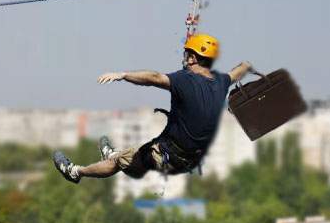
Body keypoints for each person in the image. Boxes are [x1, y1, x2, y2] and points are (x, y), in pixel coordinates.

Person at [53, 34, 254, 184]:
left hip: (166, 157)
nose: (185, 59)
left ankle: (76, 172)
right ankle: (113, 155)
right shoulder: (221, 81)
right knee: (131, 157)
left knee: (122, 162)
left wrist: (123, 74)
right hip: (190, 161)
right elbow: (239, 70)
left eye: (187, 55)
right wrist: (247, 65)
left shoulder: (185, 79)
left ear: (193, 58)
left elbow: (154, 78)